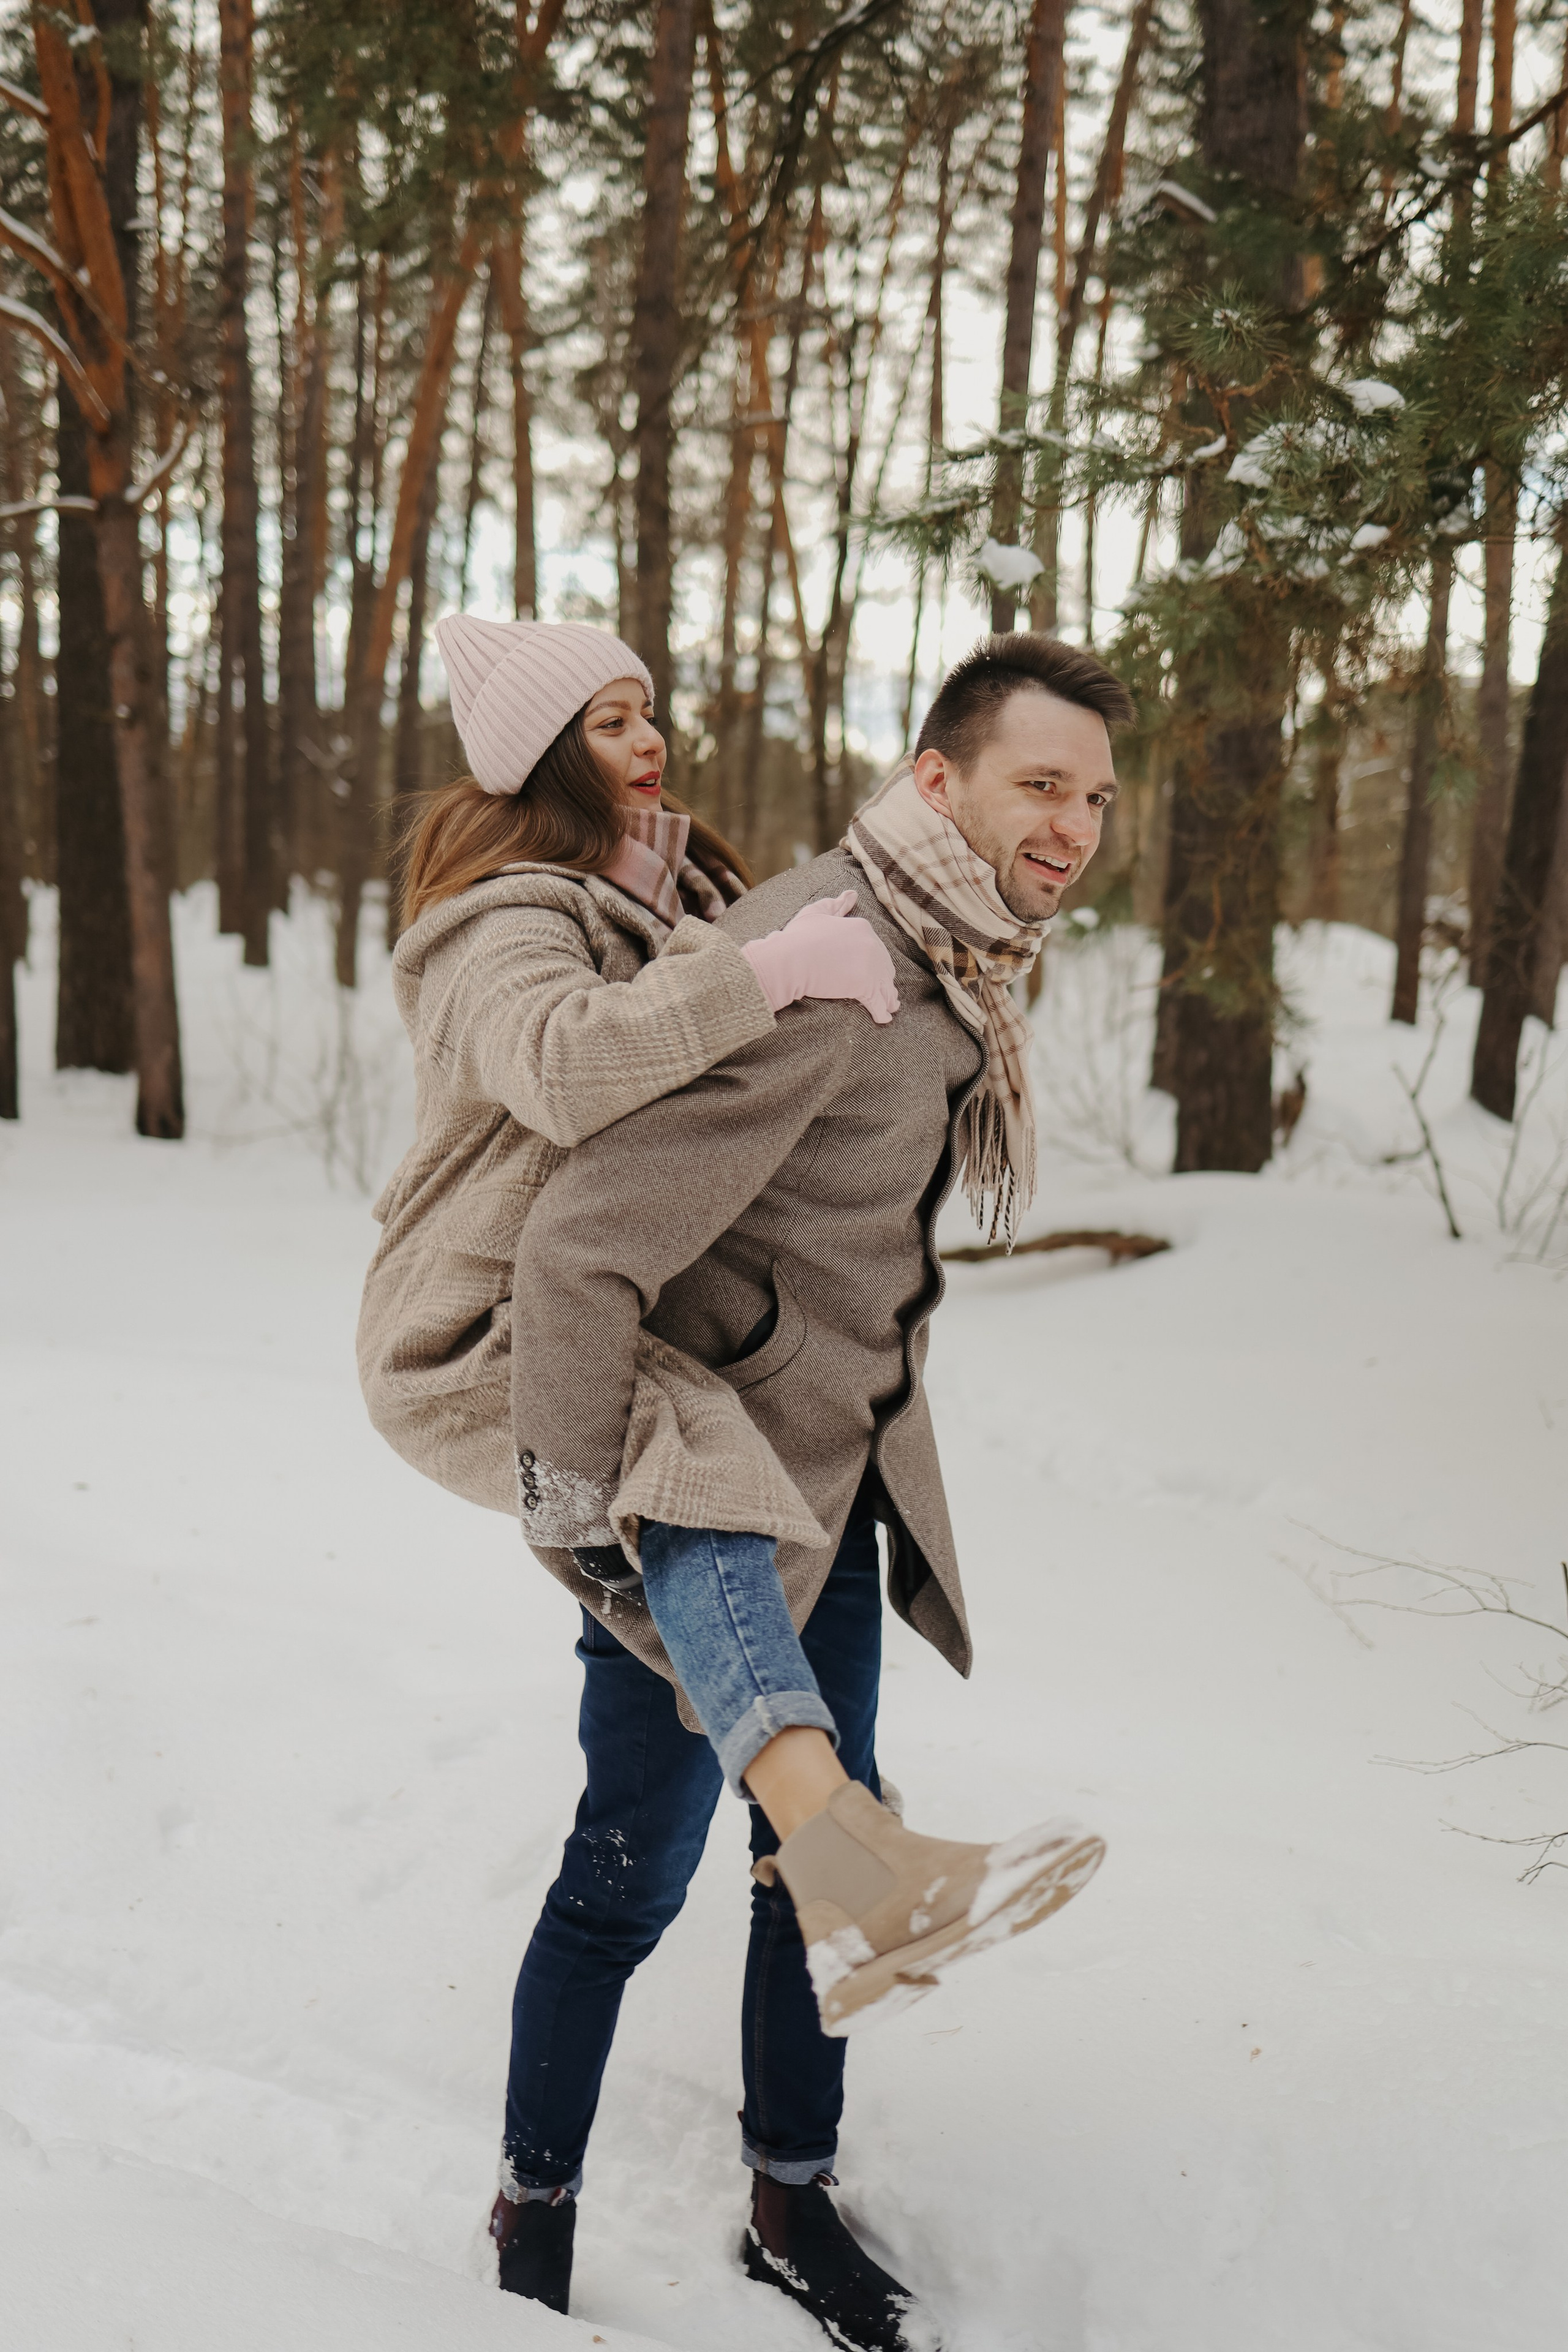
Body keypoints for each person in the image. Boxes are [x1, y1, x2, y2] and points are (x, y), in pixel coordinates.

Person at [499, 632, 1134, 2350]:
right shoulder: (831, 959)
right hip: (699, 1498)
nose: (1073, 824)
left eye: (1093, 794)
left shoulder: (963, 953)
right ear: (940, 782)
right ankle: (529, 2221)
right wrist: (571, 1501)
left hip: (839, 1480)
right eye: (1038, 784)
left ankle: (792, 2192)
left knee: (821, 1846)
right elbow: (578, 1248)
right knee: (629, 1869)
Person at [358, 612, 899, 1526]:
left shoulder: (678, 887)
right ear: (548, 757)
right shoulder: (505, 920)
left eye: (645, 712)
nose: (651, 738)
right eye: (610, 724)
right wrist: (773, 969)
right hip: (482, 1329)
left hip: (647, 1309)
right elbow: (559, 1067)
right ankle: (764, 1681)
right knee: (703, 1485)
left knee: (683, 1565)